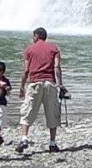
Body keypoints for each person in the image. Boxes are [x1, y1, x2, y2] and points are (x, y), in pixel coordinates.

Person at [17, 26, 65, 154]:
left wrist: (21, 87)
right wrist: (60, 85)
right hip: (50, 83)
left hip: (34, 83)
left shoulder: (29, 49)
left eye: (33, 36)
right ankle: (52, 143)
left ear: (36, 36)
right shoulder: (54, 48)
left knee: (28, 111)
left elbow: (26, 70)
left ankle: (24, 138)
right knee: (52, 112)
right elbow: (57, 67)